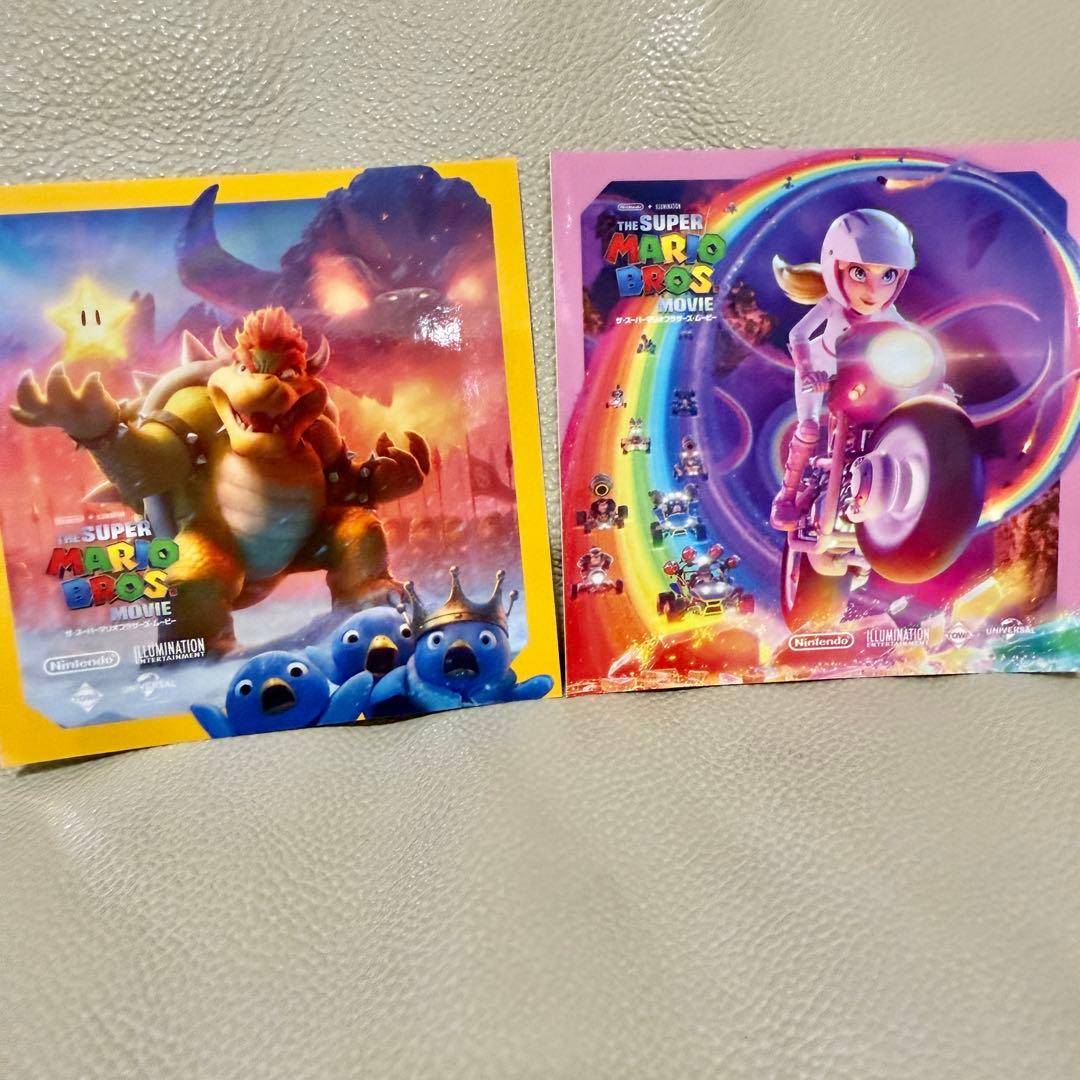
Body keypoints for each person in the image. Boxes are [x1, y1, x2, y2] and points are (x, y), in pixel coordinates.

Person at [770, 209, 916, 529]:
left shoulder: (888, 312)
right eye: (860, 273)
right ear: (836, 269)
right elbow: (798, 334)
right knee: (809, 429)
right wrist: (808, 370)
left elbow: (914, 338)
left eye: (888, 276)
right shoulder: (832, 305)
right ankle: (787, 495)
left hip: (861, 373)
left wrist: (932, 376)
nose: (873, 290)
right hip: (821, 366)